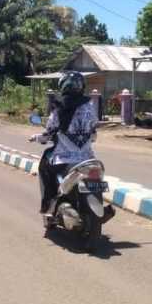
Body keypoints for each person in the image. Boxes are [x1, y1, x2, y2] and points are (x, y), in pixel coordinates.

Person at [28, 71, 98, 214]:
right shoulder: (89, 107)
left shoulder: (59, 109)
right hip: (88, 160)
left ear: (64, 86)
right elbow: (94, 135)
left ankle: (48, 204)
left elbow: (47, 136)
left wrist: (35, 137)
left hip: (65, 160)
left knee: (45, 168)